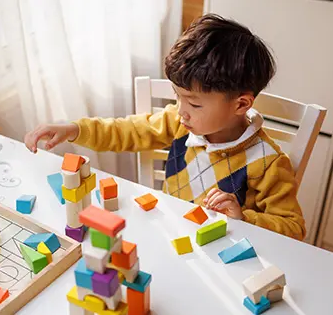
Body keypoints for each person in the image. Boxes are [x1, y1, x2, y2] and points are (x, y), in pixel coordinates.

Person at [24, 14, 306, 240]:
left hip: (224, 249)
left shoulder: (268, 162)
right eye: (177, 96)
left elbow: (293, 228)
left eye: (194, 104)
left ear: (241, 104)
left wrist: (244, 217)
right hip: (171, 231)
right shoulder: (179, 122)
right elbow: (125, 132)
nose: (181, 111)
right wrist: (73, 129)